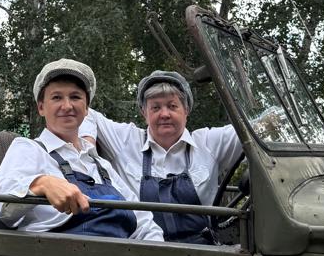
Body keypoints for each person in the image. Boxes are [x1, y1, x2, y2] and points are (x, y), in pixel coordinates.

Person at [0, 59, 164, 242]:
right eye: (57, 97)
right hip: (59, 255)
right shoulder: (29, 149)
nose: (67, 106)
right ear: (41, 107)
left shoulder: (101, 166)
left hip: (120, 255)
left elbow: (144, 222)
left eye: (75, 97)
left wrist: (158, 252)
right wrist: (41, 184)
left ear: (86, 108)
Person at [80, 70, 244, 245]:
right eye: (155, 107)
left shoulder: (209, 143)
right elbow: (84, 111)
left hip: (203, 251)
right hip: (144, 251)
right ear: (144, 112)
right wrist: (87, 143)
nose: (164, 114)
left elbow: (257, 130)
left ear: (186, 110)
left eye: (172, 106)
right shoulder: (126, 141)